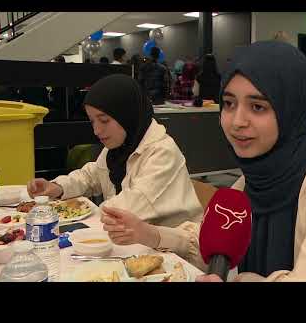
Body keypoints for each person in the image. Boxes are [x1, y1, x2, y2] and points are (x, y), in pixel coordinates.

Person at [101, 41, 306, 282]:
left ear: (291, 107)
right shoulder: (250, 182)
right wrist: (149, 233)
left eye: (258, 106)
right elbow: (212, 246)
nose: (237, 122)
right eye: (228, 103)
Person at [27, 74, 202, 227]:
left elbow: (130, 206)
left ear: (127, 116)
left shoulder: (162, 152)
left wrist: (71, 213)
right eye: (92, 121)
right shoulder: (120, 147)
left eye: (104, 120)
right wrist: (57, 187)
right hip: (132, 240)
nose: (97, 131)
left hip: (173, 252)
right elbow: (91, 176)